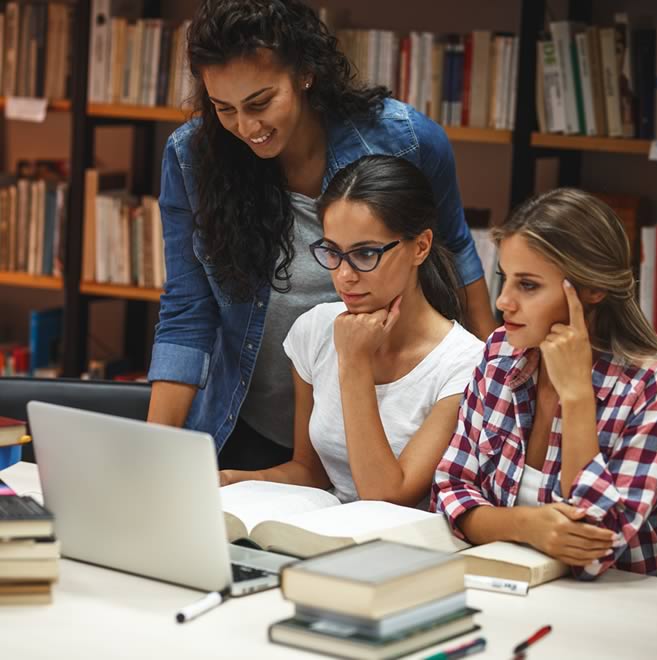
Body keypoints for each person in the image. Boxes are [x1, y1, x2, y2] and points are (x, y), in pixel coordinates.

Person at [146, 0, 496, 468]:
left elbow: (458, 265)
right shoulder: (193, 158)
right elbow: (188, 311)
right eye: (223, 108)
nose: (246, 128)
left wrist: (496, 407)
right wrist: (150, 457)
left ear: (305, 73)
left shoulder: (406, 140)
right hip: (252, 422)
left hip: (389, 431)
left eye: (261, 102)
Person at [219, 155, 484, 505]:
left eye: (365, 254)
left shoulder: (467, 365)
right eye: (333, 252)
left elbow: (388, 497)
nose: (344, 275)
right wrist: (235, 479)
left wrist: (354, 362)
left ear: (420, 246)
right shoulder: (314, 330)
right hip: (326, 534)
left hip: (408, 548)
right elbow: (311, 471)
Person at [431, 188, 657, 578]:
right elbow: (451, 490)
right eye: (505, 279)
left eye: (529, 285)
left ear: (592, 289)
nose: (503, 301)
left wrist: (576, 398)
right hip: (507, 586)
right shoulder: (501, 354)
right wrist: (525, 524)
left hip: (615, 607)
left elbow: (592, 549)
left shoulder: (646, 389)